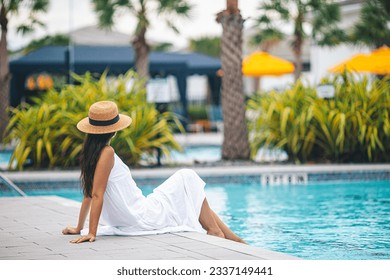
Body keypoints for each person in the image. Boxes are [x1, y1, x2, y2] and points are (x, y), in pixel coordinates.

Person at [62, 100, 245, 244]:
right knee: (186, 176)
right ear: (114, 130)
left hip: (134, 214)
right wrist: (91, 232)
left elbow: (88, 193)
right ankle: (216, 232)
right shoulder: (107, 153)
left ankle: (234, 239)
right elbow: (96, 194)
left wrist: (80, 228)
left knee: (191, 194)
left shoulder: (90, 154)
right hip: (142, 216)